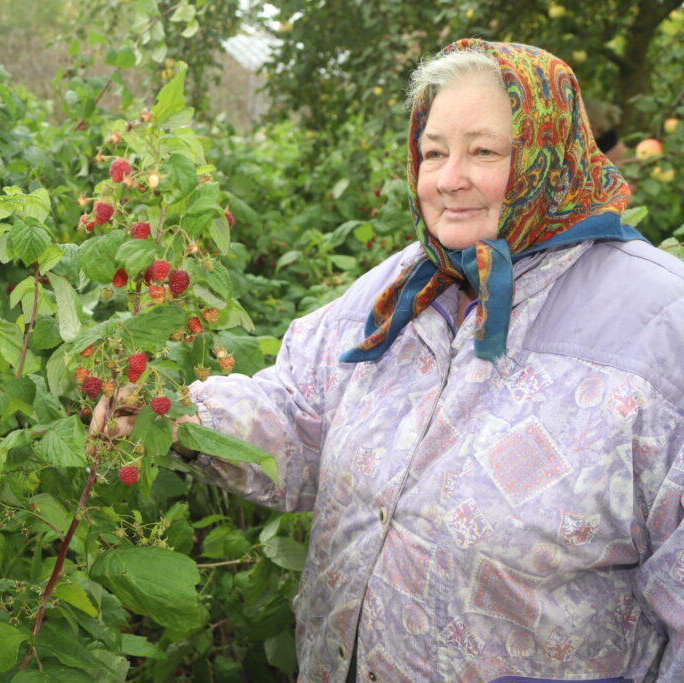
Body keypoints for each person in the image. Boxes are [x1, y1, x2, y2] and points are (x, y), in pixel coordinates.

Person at [94, 39, 684, 682]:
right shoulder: (402, 286)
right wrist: (171, 415)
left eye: (483, 151)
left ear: (548, 153)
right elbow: (297, 416)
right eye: (434, 151)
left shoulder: (659, 326)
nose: (447, 178)